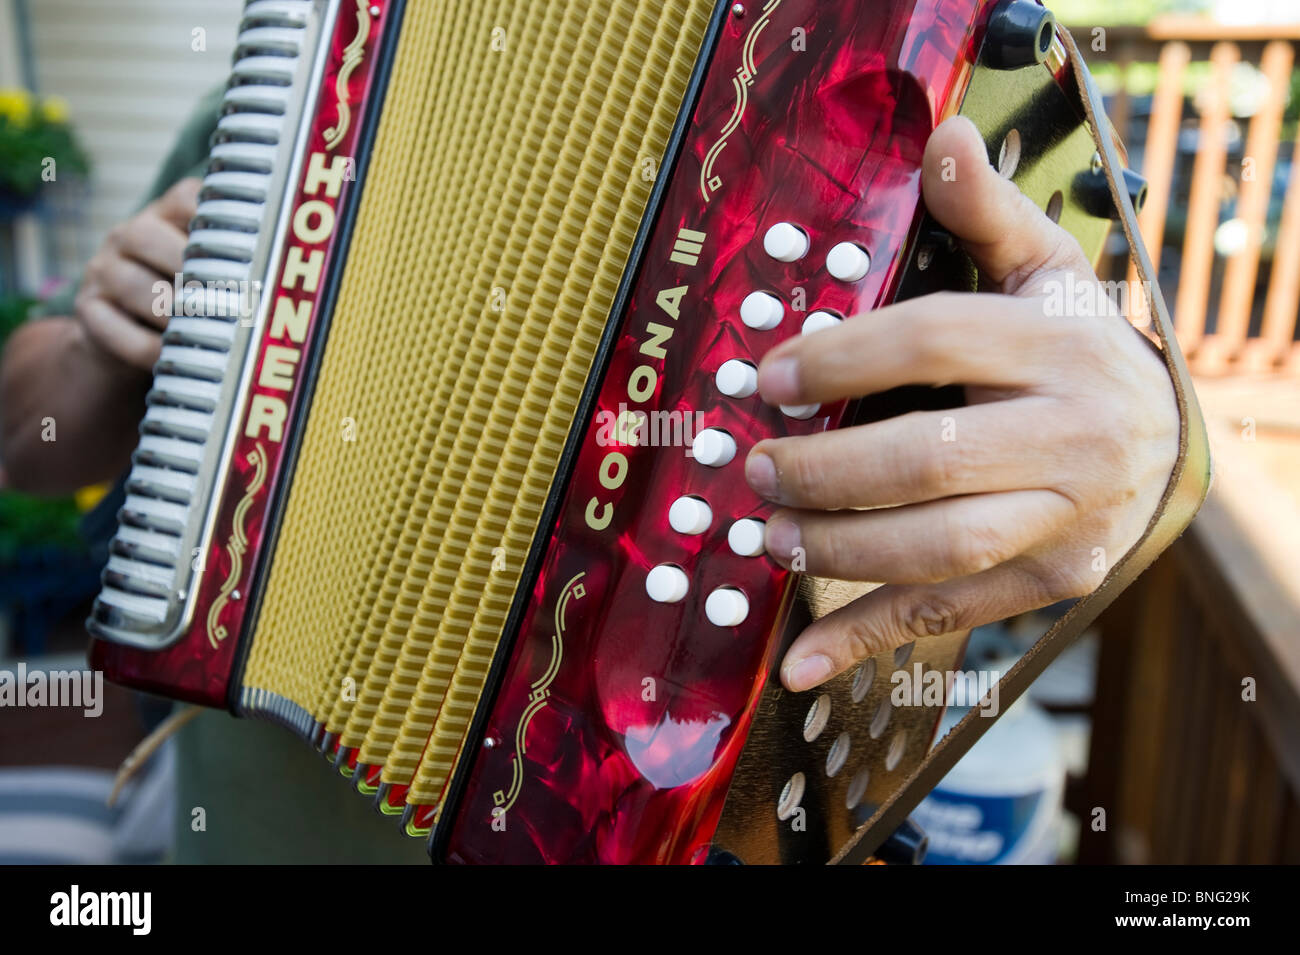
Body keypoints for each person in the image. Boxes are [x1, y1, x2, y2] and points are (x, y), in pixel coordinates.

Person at [0, 89, 1177, 860]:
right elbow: (29, 438)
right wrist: (107, 338)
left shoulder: (956, 77)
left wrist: (1147, 442)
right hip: (267, 831)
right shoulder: (305, 82)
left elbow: (1113, 376)